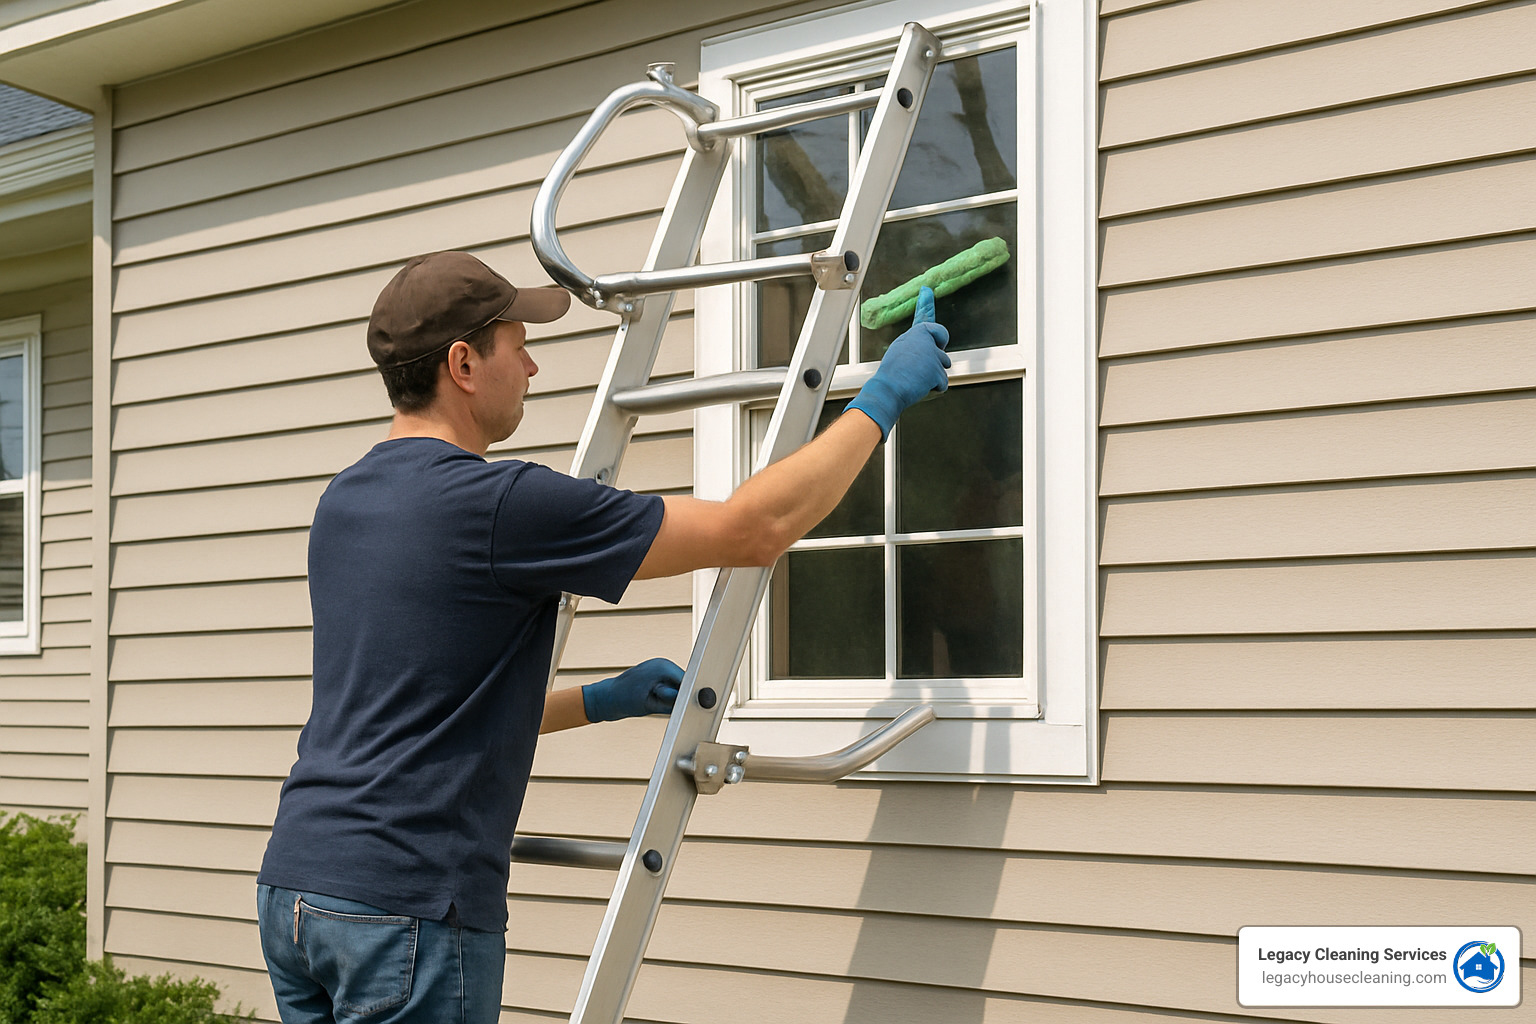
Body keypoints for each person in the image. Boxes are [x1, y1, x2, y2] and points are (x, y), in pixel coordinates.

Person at [254, 250, 950, 1023]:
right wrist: (883, 397)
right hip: (406, 906)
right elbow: (756, 529)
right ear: (463, 364)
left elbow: (418, 706)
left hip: (298, 889)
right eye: (518, 345)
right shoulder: (500, 504)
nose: (533, 366)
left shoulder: (344, 503)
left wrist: (598, 700)